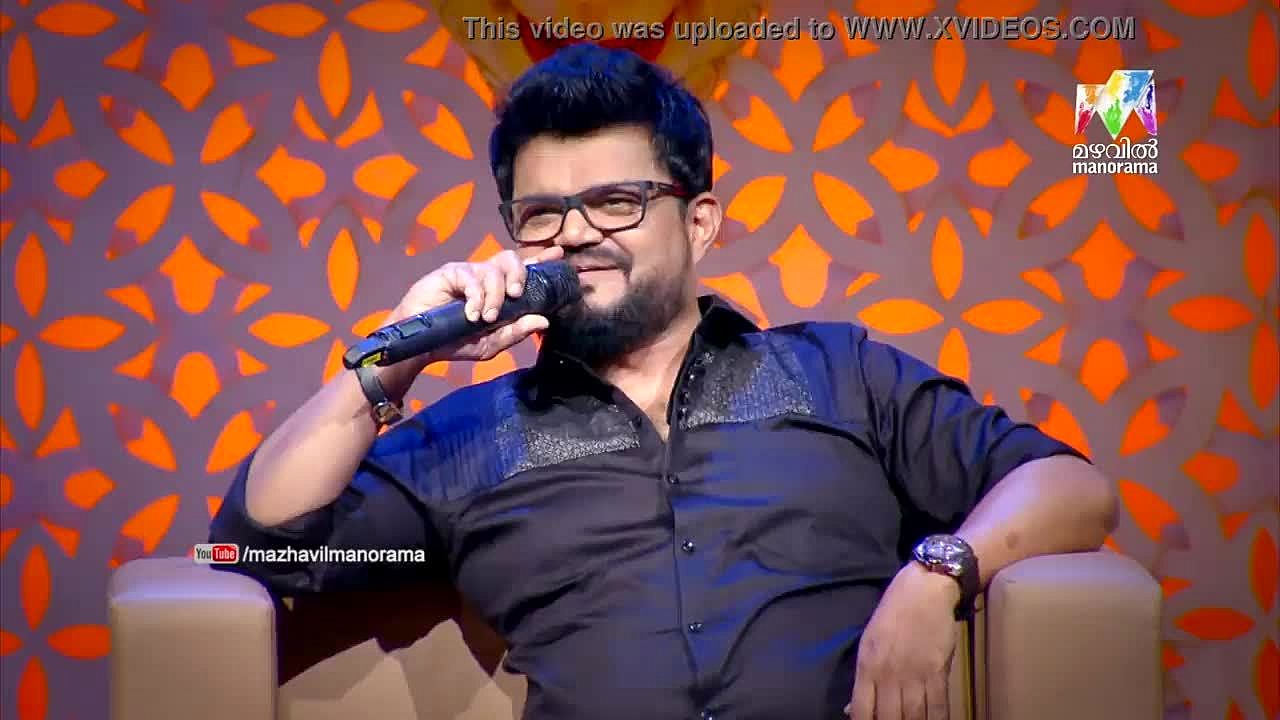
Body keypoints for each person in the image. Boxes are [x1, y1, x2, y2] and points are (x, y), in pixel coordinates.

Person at [209, 43, 1117, 720]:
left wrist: (936, 574)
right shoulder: (473, 437)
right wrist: (394, 355)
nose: (574, 235)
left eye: (617, 202)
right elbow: (254, 551)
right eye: (541, 214)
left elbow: (1069, 486)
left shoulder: (839, 374)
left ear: (700, 223)